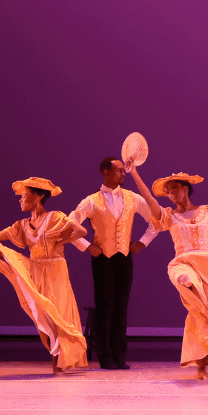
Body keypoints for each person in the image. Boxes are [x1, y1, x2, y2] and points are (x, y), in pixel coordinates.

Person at [129, 165, 208, 379]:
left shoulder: (207, 211)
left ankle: (203, 366)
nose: (171, 194)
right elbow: (150, 200)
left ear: (186, 189)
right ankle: (185, 280)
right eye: (168, 191)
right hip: (183, 262)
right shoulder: (168, 216)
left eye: (175, 188)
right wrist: (134, 172)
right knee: (186, 280)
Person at [0, 178, 88, 373]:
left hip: (55, 269)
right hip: (36, 267)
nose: (21, 200)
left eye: (24, 196)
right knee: (41, 309)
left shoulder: (55, 217)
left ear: (39, 195)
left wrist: (61, 241)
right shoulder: (23, 224)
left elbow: (81, 230)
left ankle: (62, 359)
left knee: (56, 313)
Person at [67, 157, 158, 370]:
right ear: (105, 172)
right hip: (103, 259)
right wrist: (86, 245)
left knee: (121, 307)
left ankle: (119, 355)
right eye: (118, 170)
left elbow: (156, 219)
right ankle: (105, 356)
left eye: (123, 171)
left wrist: (143, 242)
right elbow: (69, 225)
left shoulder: (133, 198)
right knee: (104, 307)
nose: (123, 174)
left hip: (124, 258)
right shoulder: (91, 200)